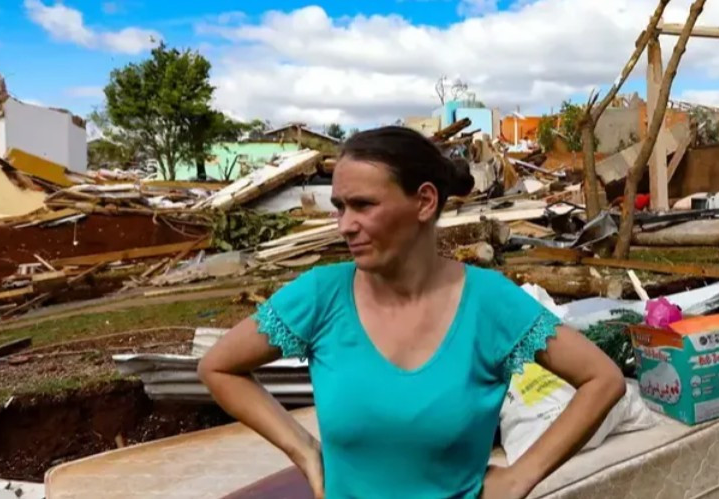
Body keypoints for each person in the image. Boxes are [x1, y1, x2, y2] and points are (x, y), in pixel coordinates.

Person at [199, 126, 626, 499]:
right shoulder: (320, 297)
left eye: (363, 205)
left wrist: (519, 479)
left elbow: (602, 380)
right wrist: (305, 451)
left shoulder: (489, 303)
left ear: (424, 202)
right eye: (340, 207)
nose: (344, 225)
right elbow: (218, 368)